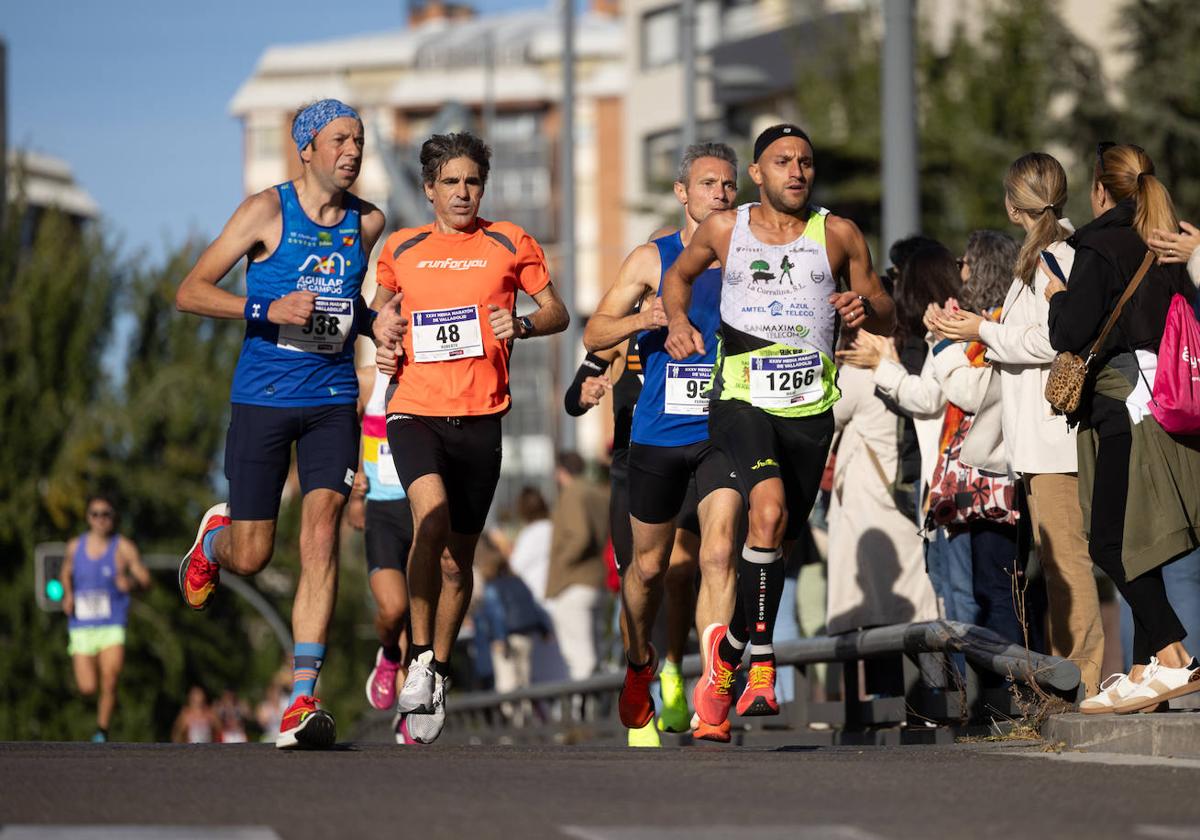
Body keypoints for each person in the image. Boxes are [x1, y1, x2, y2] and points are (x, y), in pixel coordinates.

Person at [175, 99, 403, 750]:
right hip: (263, 396)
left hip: (333, 397)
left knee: (324, 532)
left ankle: (302, 697)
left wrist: (374, 323)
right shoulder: (265, 212)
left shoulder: (368, 222)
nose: (352, 152)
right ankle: (215, 540)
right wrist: (265, 304)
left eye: (358, 140)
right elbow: (190, 290)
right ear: (306, 149)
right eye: (339, 140)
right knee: (253, 556)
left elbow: (346, 308)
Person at [662, 124, 895, 732]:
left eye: (806, 161)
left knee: (777, 540)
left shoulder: (838, 234)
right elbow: (678, 278)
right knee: (763, 513)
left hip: (810, 406)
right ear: (758, 174)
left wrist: (864, 307)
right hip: (741, 397)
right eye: (782, 161)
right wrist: (679, 322)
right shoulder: (724, 229)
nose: (797, 170)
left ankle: (728, 657)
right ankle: (760, 663)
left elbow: (886, 307)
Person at [375, 131, 569, 744]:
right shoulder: (402, 247)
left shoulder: (510, 241)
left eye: (472, 181)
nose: (462, 192)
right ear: (428, 189)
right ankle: (417, 659)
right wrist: (383, 338)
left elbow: (559, 311)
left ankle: (437, 669)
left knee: (459, 565)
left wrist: (526, 323)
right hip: (413, 411)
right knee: (428, 520)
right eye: (450, 182)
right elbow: (381, 315)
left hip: (482, 418)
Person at [583, 142, 743, 742]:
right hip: (656, 435)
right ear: (682, 194)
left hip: (721, 433)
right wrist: (642, 321)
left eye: (728, 185)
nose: (720, 194)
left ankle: (712, 697)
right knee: (648, 570)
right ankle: (638, 667)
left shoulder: (747, 256)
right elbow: (594, 333)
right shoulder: (653, 258)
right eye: (707, 184)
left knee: (718, 554)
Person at [933, 152, 1104, 694]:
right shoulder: (1056, 253)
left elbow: (1050, 338)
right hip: (1050, 435)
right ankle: (1069, 678)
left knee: (1066, 565)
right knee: (1059, 568)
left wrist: (982, 332)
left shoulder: (1053, 257)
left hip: (1053, 438)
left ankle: (1084, 681)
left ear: (1013, 205)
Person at [1047, 143, 1200, 713]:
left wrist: (1059, 297)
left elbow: (1071, 332)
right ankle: (1142, 672)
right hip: (1175, 403)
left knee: (1110, 540)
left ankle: (1175, 656)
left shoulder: (1099, 244)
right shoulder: (1172, 240)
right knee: (1145, 543)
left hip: (1122, 408)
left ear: (1100, 190)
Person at [839, 242, 969, 631]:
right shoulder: (929, 336)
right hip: (932, 474)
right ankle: (963, 686)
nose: (894, 290)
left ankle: (971, 687)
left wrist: (882, 364)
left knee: (952, 590)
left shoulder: (933, 338)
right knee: (942, 586)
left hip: (941, 475)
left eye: (898, 278)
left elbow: (925, 398)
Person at [348, 364, 414, 743]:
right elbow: (342, 428)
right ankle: (389, 655)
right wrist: (354, 489)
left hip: (424, 511)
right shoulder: (366, 381)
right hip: (383, 510)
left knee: (421, 621)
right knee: (393, 610)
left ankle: (411, 710)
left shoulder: (430, 376)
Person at [61, 494, 150, 743]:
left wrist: (129, 582)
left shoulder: (123, 548)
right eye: (95, 514)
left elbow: (145, 580)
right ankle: (96, 714)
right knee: (88, 687)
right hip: (82, 626)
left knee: (110, 679)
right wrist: (67, 594)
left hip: (112, 624)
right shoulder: (74, 546)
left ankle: (101, 730)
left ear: (113, 518)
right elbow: (65, 572)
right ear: (88, 518)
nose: (100, 519)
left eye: (106, 514)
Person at [544, 452, 610, 683]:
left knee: (579, 660)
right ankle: (599, 712)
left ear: (561, 471)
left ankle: (582, 717)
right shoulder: (597, 493)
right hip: (596, 580)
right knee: (596, 657)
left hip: (572, 583)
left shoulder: (572, 493)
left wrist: (560, 565)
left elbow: (580, 536)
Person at [474, 552, 553, 727]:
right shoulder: (518, 582)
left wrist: (500, 638)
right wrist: (544, 629)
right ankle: (526, 720)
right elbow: (533, 605)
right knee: (524, 681)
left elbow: (497, 614)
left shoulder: (492, 587)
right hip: (526, 636)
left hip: (506, 639)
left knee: (507, 683)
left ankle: (513, 725)